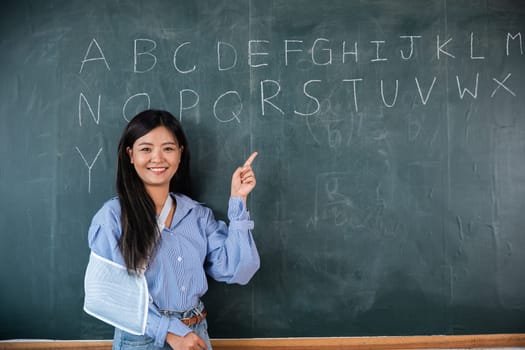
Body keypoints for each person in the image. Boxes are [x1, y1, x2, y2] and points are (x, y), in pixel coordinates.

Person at [85, 109, 260, 350]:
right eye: (146, 149)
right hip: (141, 339)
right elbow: (105, 293)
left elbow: (238, 270)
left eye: (168, 148)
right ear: (130, 155)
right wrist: (169, 333)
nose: (157, 158)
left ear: (180, 153)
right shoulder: (113, 217)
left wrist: (238, 202)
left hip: (196, 333)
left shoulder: (197, 215)